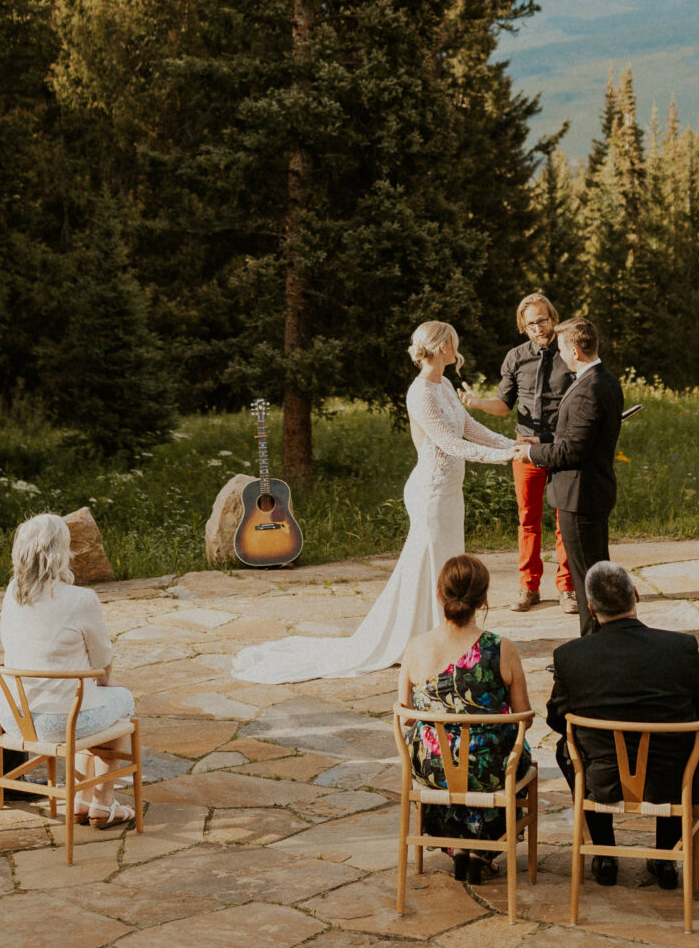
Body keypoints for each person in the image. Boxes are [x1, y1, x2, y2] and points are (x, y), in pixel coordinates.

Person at [234, 321, 517, 683]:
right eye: (452, 342)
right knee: (430, 563)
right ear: (441, 346)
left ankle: (445, 632)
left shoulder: (444, 385)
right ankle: (433, 638)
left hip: (450, 492)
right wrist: (505, 458)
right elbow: (451, 444)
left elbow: (471, 429)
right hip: (430, 492)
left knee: (445, 561)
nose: (456, 347)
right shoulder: (420, 393)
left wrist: (510, 445)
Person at [544, 560, 699, 891]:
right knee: (696, 742)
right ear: (635, 595)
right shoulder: (681, 648)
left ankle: (605, 853)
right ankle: (666, 857)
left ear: (591, 609)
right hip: (672, 780)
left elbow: (556, 718)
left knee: (570, 748)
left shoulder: (571, 656)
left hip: (601, 780)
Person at [399, 554, 532, 883]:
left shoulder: (416, 647)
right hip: (489, 769)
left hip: (433, 768)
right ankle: (478, 852)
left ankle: (458, 848)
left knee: (452, 763)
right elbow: (523, 718)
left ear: (440, 595)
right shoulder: (501, 648)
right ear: (483, 599)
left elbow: (404, 715)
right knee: (506, 762)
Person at [0, 512, 136, 825]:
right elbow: (102, 662)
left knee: (87, 704)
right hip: (58, 722)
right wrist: (109, 682)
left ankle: (81, 798)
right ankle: (103, 801)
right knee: (120, 702)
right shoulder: (81, 599)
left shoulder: (11, 593)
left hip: (14, 716)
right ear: (61, 553)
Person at [470, 292, 575, 614]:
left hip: (562, 448)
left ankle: (567, 588)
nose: (539, 328)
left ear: (553, 319)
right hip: (526, 447)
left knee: (565, 518)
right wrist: (475, 403)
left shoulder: (570, 352)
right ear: (522, 327)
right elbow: (504, 405)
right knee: (527, 520)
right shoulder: (515, 358)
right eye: (531, 324)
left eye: (543, 320)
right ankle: (528, 588)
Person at [517, 317, 622, 637]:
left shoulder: (586, 390)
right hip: (594, 490)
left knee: (586, 579)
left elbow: (572, 452)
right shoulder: (607, 380)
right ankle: (607, 641)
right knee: (598, 575)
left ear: (575, 351)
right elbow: (578, 438)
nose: (559, 356)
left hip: (580, 496)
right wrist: (543, 441)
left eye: (562, 349)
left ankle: (592, 645)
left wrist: (531, 454)